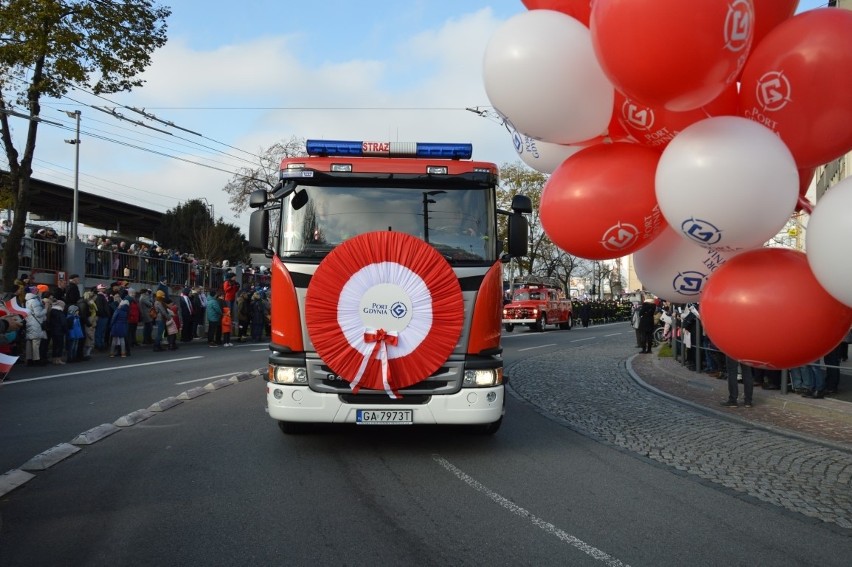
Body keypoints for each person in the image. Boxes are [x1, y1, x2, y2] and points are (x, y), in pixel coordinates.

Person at [24, 285, 47, 366]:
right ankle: (36, 360)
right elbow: (38, 314)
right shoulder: (35, 301)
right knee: (36, 342)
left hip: (29, 322)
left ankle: (29, 359)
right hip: (36, 323)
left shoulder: (27, 300)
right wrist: (45, 309)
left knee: (29, 341)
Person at [46, 299, 67, 364]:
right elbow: (64, 322)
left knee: (55, 345)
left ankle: (54, 359)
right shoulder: (60, 312)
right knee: (60, 345)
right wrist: (65, 330)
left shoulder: (51, 312)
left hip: (53, 330)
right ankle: (58, 359)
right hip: (60, 330)